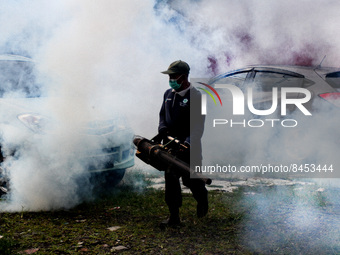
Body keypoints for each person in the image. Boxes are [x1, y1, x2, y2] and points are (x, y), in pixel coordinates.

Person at [156, 60, 208, 227]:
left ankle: (202, 199)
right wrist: (162, 127)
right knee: (170, 177)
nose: (170, 79)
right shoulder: (168, 94)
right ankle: (174, 217)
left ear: (183, 77)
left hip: (188, 148)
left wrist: (189, 142)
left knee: (191, 181)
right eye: (169, 76)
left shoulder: (197, 96)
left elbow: (199, 124)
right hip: (170, 146)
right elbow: (162, 115)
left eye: (173, 76)